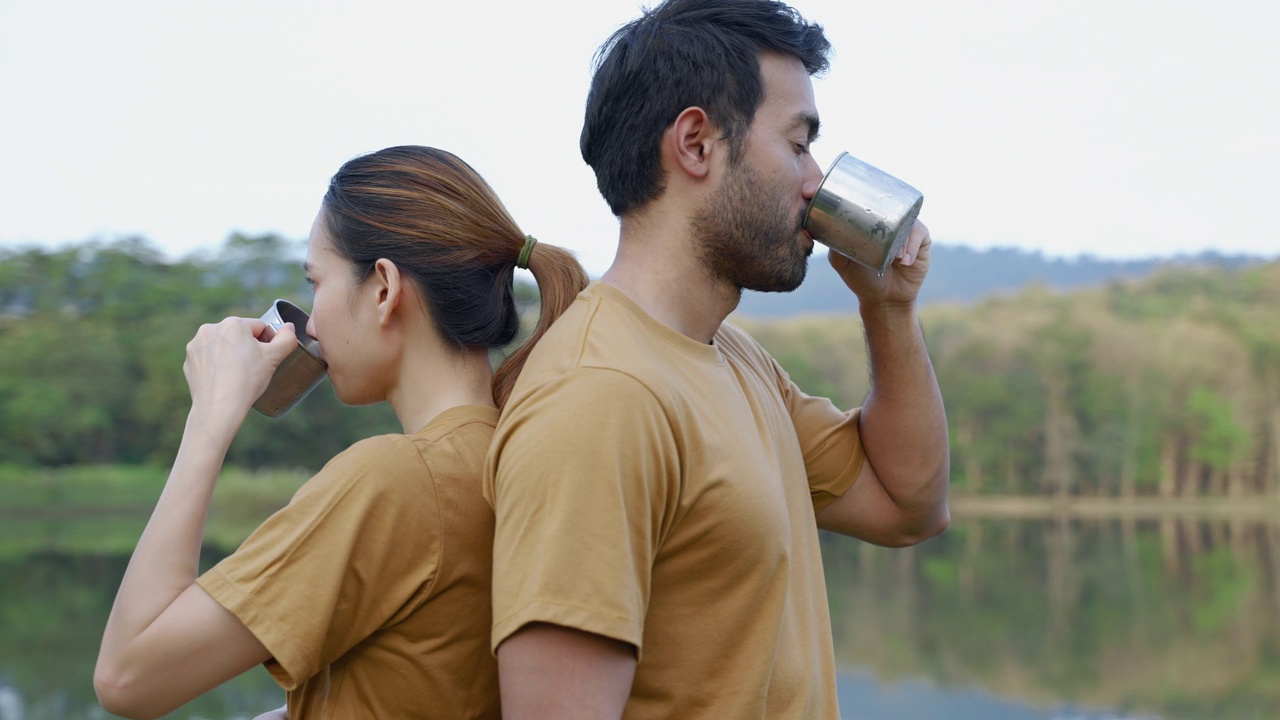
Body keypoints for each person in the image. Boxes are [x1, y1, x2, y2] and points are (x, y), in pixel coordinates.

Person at [483, 0, 951, 718]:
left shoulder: (732, 358)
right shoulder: (599, 397)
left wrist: (888, 310)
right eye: (799, 144)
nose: (815, 180)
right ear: (697, 143)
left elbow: (907, 506)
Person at [93, 145, 589, 719]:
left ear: (383, 288)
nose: (314, 319)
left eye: (317, 284)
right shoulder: (513, 454)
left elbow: (127, 676)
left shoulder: (395, 481)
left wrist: (209, 417)